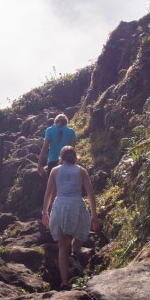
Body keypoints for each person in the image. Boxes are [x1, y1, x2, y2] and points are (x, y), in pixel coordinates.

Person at [41, 146, 99, 290]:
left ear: (60, 157)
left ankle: (64, 281)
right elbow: (90, 194)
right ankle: (74, 252)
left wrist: (45, 212)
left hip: (60, 206)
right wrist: (94, 216)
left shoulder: (55, 170)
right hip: (76, 205)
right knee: (78, 236)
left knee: (62, 246)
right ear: (75, 157)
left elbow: (48, 193)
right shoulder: (81, 171)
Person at [37, 113, 77, 178]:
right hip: (67, 162)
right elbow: (73, 149)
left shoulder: (49, 130)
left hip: (52, 162)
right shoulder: (71, 131)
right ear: (66, 122)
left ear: (55, 122)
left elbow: (45, 147)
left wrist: (39, 164)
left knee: (52, 187)